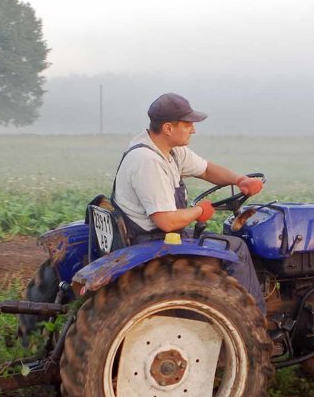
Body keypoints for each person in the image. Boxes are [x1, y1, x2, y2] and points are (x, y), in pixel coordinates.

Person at [111, 92, 266, 311]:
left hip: (156, 235)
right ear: (168, 128)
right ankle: (255, 322)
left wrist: (240, 180)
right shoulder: (148, 161)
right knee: (237, 248)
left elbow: (206, 169)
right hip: (153, 240)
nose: (193, 129)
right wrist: (199, 211)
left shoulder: (169, 150)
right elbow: (166, 221)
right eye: (188, 124)